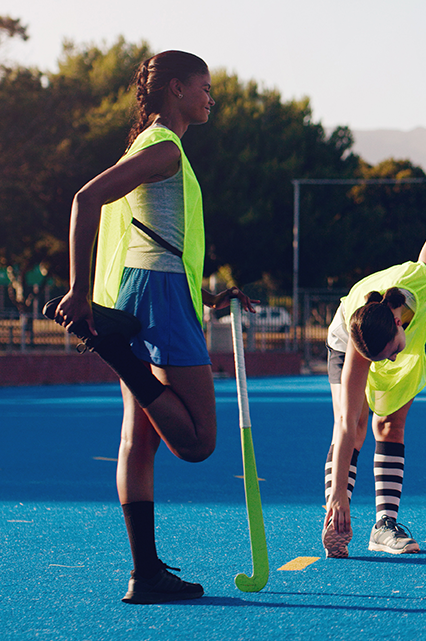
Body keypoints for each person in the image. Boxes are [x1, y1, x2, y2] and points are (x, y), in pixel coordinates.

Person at [47, 51, 256, 604]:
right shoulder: (164, 147)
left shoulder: (159, 148)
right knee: (196, 443)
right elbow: (85, 199)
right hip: (156, 297)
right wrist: (79, 290)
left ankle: (146, 574)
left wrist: (209, 296)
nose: (211, 96)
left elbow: (159, 236)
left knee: (138, 439)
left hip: (149, 291)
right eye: (204, 87)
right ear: (176, 90)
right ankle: (111, 348)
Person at [321, 230, 426, 558]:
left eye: (391, 352)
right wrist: (338, 492)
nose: (391, 360)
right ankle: (336, 518)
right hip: (345, 341)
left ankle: (384, 526)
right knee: (356, 429)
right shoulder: (362, 346)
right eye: (385, 358)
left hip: (396, 338)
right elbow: (345, 423)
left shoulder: (422, 283)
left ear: (398, 322)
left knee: (390, 426)